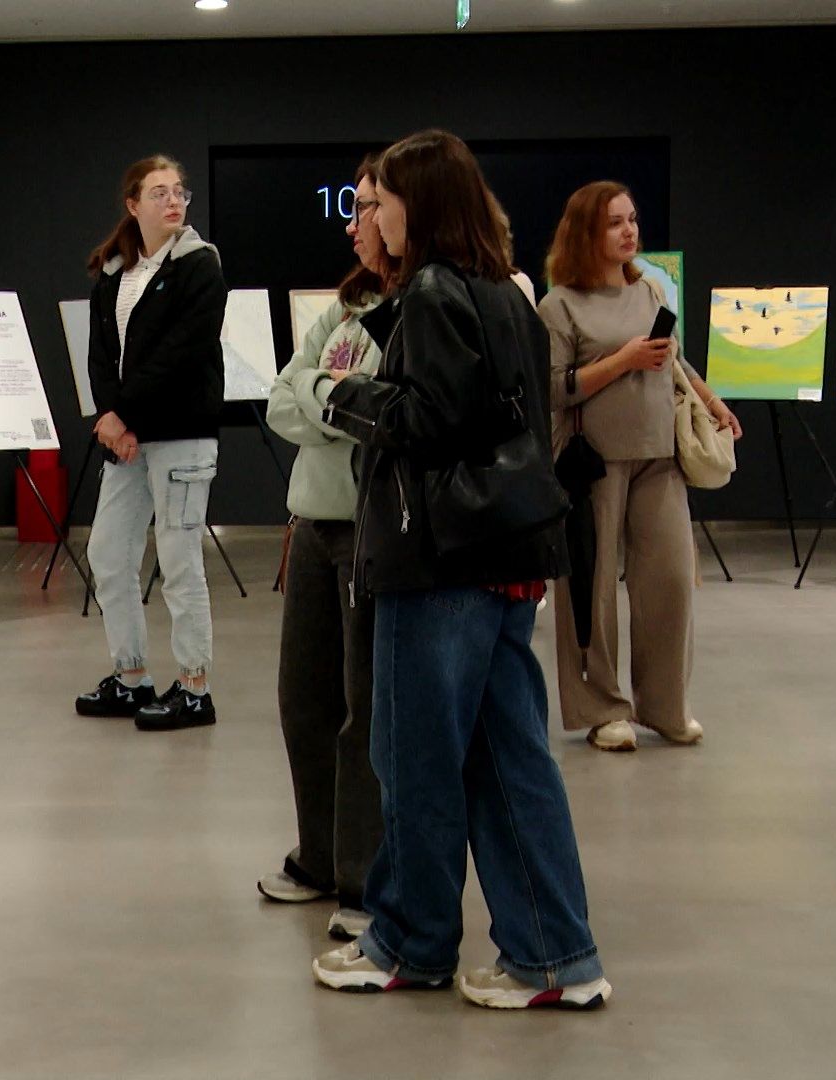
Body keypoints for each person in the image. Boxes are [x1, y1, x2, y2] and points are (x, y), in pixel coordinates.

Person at [313, 130, 611, 1010]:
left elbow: (431, 420)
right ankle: (556, 957)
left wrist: (349, 395)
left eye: (384, 199)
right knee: (509, 760)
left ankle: (409, 942)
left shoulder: (439, 293)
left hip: (437, 561)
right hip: (504, 555)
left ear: (423, 205)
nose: (374, 214)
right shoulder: (506, 293)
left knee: (415, 758)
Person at [538, 181, 741, 752]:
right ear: (585, 234)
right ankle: (602, 708)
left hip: (659, 455)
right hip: (591, 464)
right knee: (592, 592)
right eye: (614, 223)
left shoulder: (650, 290)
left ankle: (665, 705)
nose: (630, 231)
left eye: (632, 219)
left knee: (671, 583)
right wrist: (621, 361)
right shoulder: (558, 306)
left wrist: (712, 402)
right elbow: (553, 390)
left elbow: (673, 358)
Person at [259, 155, 395, 940]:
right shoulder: (343, 311)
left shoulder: (410, 310)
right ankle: (317, 856)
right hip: (310, 525)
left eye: (366, 207)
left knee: (359, 712)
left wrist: (327, 399)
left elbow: (378, 410)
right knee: (301, 701)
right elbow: (287, 396)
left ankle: (362, 877)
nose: (350, 221)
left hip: (366, 533)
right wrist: (335, 401)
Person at [72, 154, 227, 732]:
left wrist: (123, 414)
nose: (173, 200)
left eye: (178, 191)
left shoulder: (200, 266)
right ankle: (131, 676)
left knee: (180, 561)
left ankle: (194, 687)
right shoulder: (115, 273)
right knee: (109, 553)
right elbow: (101, 356)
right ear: (133, 206)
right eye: (158, 192)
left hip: (181, 436)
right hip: (131, 438)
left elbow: (180, 354)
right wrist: (116, 416)